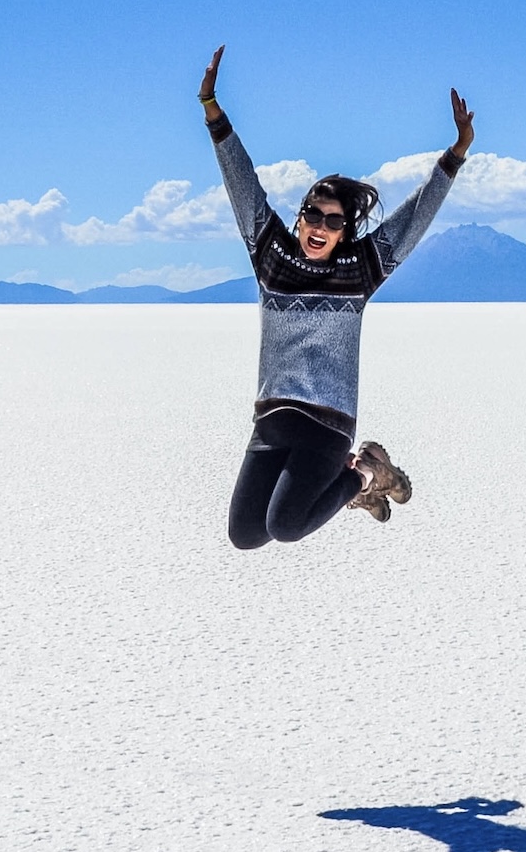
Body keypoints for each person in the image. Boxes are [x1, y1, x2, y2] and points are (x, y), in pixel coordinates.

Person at [200, 45, 474, 549]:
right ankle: (355, 485)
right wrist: (213, 113)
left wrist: (454, 156)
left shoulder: (359, 269)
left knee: (286, 526)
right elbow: (243, 186)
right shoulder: (272, 256)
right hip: (271, 420)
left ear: (345, 232)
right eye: (313, 215)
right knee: (245, 536)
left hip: (327, 424)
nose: (320, 227)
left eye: (333, 221)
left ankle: (367, 474)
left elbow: (414, 218)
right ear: (300, 217)